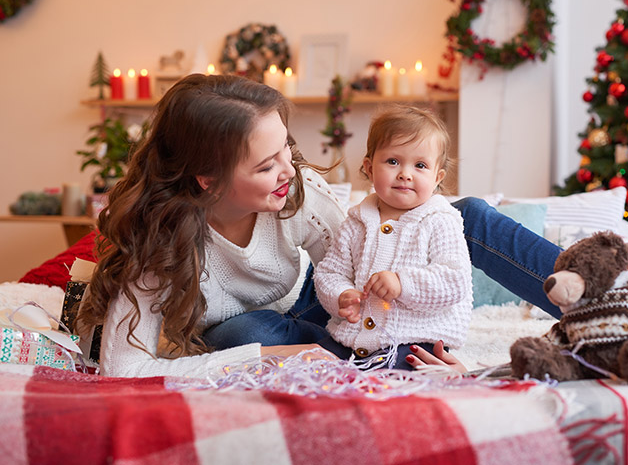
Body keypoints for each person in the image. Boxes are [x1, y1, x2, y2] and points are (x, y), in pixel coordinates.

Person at [77, 73, 562, 378]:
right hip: (270, 335)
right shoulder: (159, 245)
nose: (289, 168)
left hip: (328, 302)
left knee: (469, 215)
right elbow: (123, 367)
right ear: (208, 180)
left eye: (285, 147)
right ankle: (365, 365)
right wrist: (276, 358)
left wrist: (430, 345)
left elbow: (369, 257)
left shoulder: (300, 193)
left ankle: (600, 304)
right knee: (239, 334)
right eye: (266, 165)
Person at [313, 106, 473, 370]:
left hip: (414, 341)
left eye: (420, 165)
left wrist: (403, 283)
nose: (405, 174)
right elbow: (329, 272)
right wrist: (342, 295)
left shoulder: (440, 220)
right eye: (393, 161)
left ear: (437, 177)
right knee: (315, 366)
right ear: (369, 167)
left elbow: (454, 280)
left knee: (399, 377)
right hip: (352, 340)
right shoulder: (356, 221)